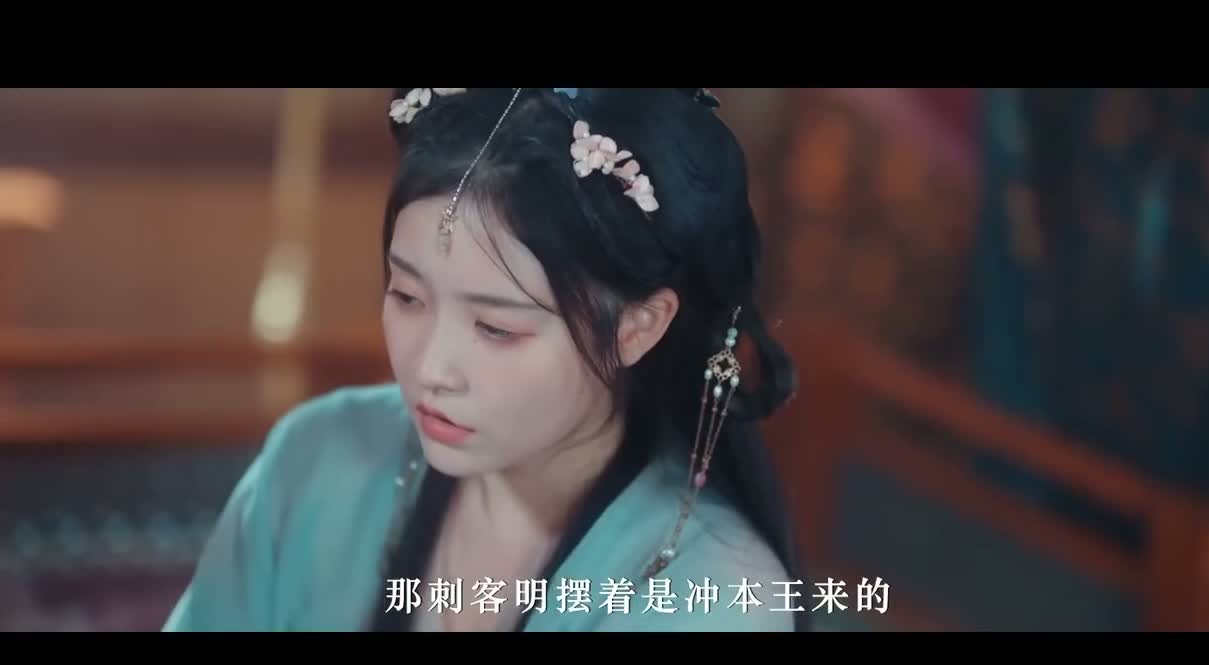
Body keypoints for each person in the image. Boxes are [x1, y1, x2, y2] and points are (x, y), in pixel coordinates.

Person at [163, 87, 809, 631]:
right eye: (407, 296)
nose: (430, 369)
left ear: (637, 327)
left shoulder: (714, 596)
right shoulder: (317, 460)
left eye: (496, 328)